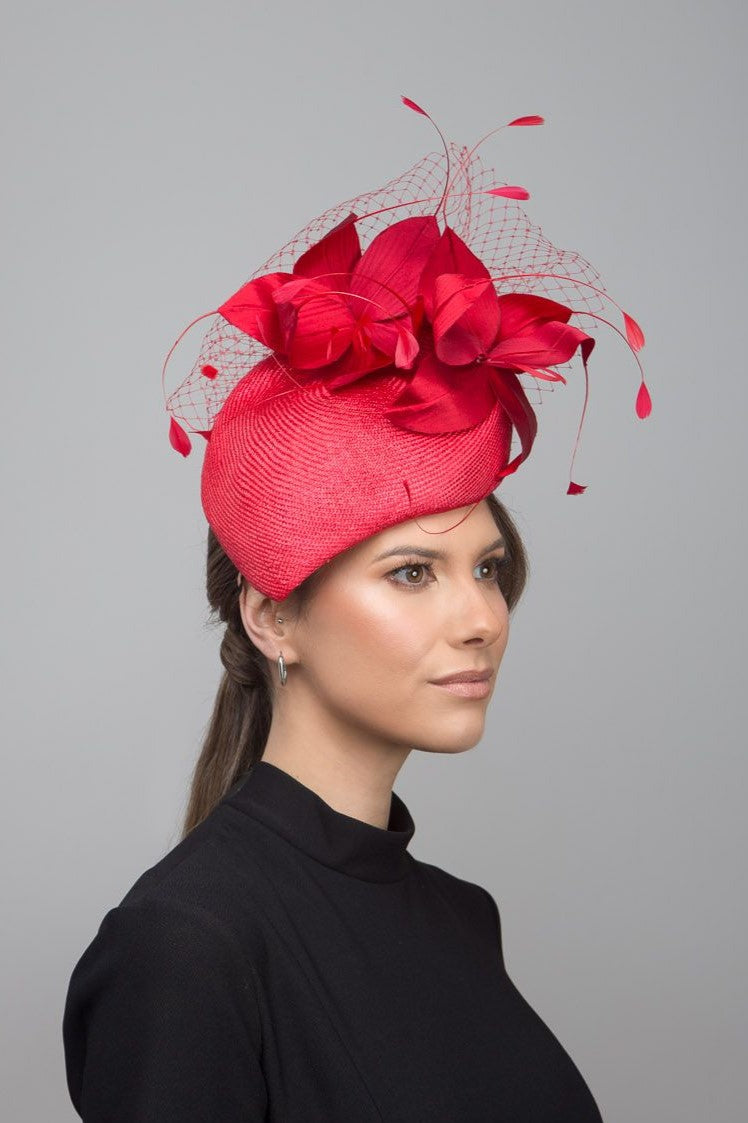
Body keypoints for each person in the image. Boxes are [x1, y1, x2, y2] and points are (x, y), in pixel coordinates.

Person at [62, 96, 651, 1121]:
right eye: (414, 572)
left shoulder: (460, 919)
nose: (482, 617)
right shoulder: (185, 946)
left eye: (489, 567)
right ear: (270, 617)